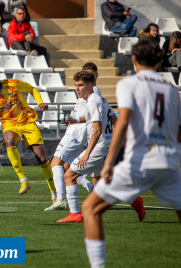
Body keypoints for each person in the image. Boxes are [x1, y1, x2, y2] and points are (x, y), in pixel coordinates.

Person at [82, 39, 181, 268]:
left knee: (90, 209)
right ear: (159, 60)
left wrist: (108, 163)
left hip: (140, 161)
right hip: (169, 162)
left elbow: (123, 122)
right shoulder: (171, 88)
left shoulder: (129, 84)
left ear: (133, 60)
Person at [0, 66, 57, 202]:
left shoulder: (12, 84)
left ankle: (55, 194)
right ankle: (23, 180)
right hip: (10, 124)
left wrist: (40, 102)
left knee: (43, 159)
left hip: (28, 121)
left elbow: (31, 89)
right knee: (9, 141)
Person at [56, 71, 113, 223]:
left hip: (97, 148)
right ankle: (134, 200)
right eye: (75, 85)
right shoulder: (97, 99)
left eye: (80, 85)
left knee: (69, 175)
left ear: (91, 85)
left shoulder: (93, 100)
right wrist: (75, 120)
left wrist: (87, 154)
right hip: (105, 146)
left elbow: (97, 130)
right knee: (100, 181)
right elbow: (94, 118)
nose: (77, 89)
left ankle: (74, 214)